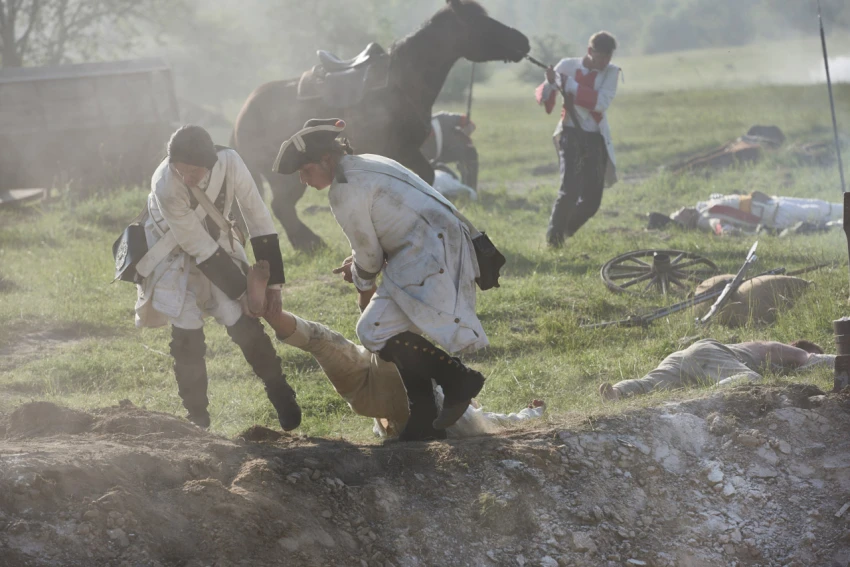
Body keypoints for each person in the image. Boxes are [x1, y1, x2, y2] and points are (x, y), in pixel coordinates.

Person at [274, 118, 489, 442]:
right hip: (440, 243)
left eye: (305, 170)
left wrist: (360, 280)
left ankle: (457, 378)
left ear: (326, 160)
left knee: (371, 331)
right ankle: (424, 419)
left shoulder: (343, 189)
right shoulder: (368, 162)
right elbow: (379, 237)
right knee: (392, 330)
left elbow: (370, 257)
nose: (303, 180)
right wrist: (366, 264)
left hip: (426, 252)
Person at [245, 261, 545, 439]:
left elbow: (502, 422)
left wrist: (530, 414)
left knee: (334, 339)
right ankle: (269, 312)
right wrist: (531, 413)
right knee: (324, 340)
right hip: (369, 391)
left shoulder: (463, 419)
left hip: (388, 396)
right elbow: (506, 421)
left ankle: (272, 312)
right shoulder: (468, 416)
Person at [133, 125, 301, 430]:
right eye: (180, 170)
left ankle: (280, 391)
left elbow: (257, 216)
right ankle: (197, 419)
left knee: (242, 323)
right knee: (187, 335)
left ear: (210, 164)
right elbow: (197, 245)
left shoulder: (231, 162)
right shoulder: (165, 185)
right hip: (172, 253)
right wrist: (244, 292)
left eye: (194, 171)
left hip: (217, 247)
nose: (186, 178)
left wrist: (272, 285)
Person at [535, 31, 620, 247]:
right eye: (602, 57)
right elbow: (545, 97)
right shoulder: (566, 65)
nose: (605, 62)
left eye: (608, 57)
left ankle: (564, 233)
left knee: (592, 201)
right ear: (590, 51)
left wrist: (569, 85)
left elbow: (601, 103)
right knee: (569, 189)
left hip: (596, 138)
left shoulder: (611, 72)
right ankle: (553, 241)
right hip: (570, 133)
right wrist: (549, 82)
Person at [599, 339, 834, 401]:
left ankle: (617, 393)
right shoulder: (779, 349)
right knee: (750, 378)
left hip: (683, 359)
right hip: (709, 353)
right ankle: (700, 395)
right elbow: (809, 358)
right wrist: (833, 359)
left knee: (649, 384)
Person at [667, 191, 844, 235]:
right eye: (679, 215)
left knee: (818, 205)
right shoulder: (704, 219)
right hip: (774, 214)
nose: (680, 210)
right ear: (687, 221)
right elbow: (719, 226)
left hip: (770, 202)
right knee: (818, 212)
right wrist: (725, 231)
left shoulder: (702, 206)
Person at [420, 111, 479, 190]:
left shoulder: (443, 119)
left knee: (470, 153)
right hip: (434, 164)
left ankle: (470, 189)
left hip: (456, 151)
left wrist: (467, 129)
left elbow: (469, 124)